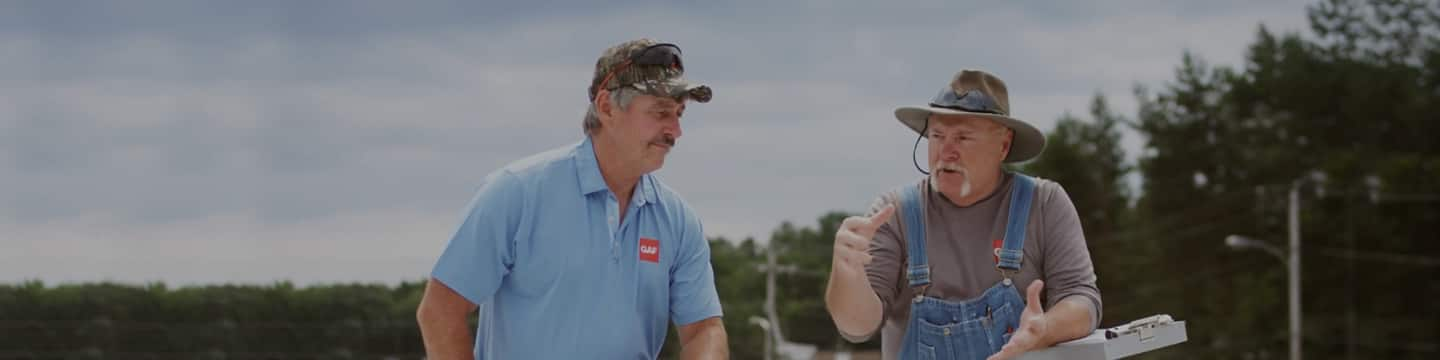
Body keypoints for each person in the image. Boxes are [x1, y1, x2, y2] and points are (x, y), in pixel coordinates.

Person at [416, 38, 728, 359]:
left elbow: (705, 329)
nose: (675, 130)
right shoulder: (517, 193)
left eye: (679, 113)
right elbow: (440, 312)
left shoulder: (678, 220)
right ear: (607, 107)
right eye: (661, 112)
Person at [825, 69, 1102, 360]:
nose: (946, 152)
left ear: (1003, 145)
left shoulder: (1044, 204)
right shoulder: (893, 214)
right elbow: (855, 327)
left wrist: (1045, 328)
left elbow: (1082, 300)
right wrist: (848, 274)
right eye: (937, 135)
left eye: (963, 138)